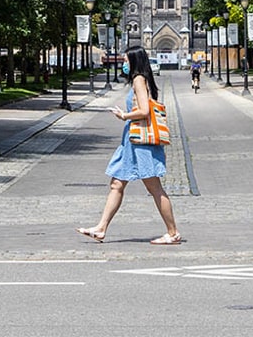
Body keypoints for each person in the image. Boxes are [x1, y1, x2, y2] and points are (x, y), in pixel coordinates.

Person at [77, 45, 181, 245]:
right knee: (116, 184)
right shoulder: (140, 80)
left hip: (141, 143)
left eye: (126, 61)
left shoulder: (139, 80)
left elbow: (143, 110)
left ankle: (172, 231)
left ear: (134, 61)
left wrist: (124, 115)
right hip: (130, 143)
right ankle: (101, 228)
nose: (124, 64)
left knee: (155, 188)